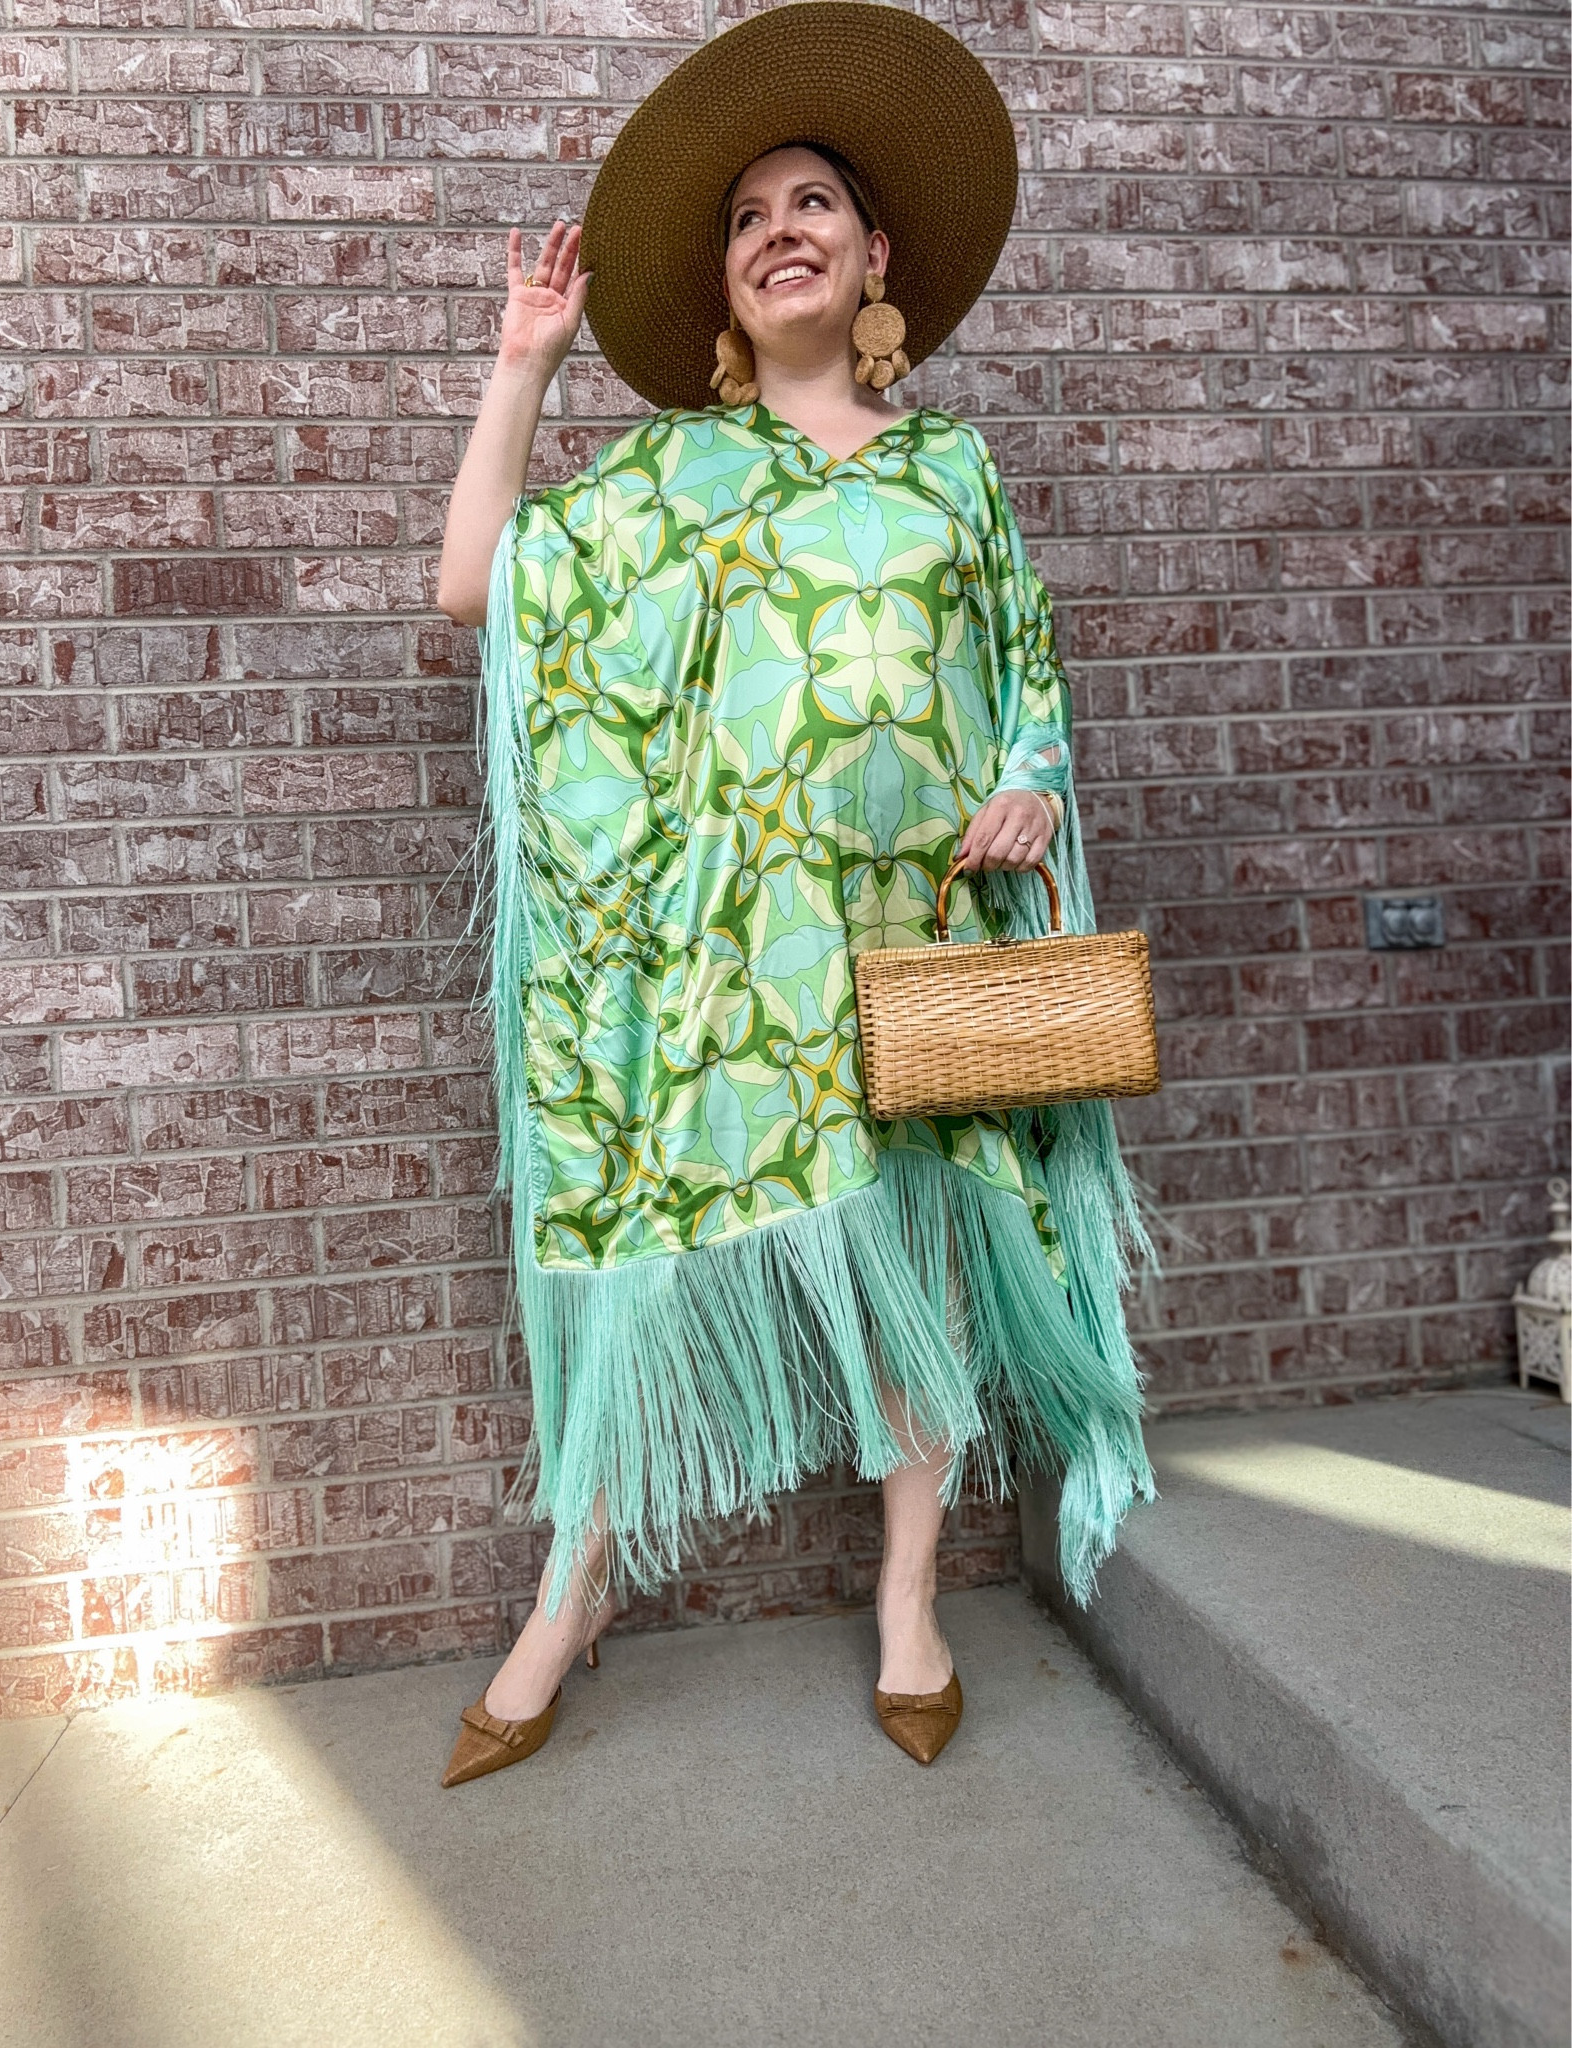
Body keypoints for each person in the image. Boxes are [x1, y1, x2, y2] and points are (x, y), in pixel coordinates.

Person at [434, 1, 1153, 1787]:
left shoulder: (952, 471)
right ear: (728, 284)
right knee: (647, 1250)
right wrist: (527, 359)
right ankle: (574, 1583)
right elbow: (475, 592)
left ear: (875, 254)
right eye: (748, 214)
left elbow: (1028, 690)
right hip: (727, 949)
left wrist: (1022, 784)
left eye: (811, 199)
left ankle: (910, 1597)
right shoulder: (672, 477)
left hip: (917, 935)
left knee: (911, 1244)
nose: (778, 229)